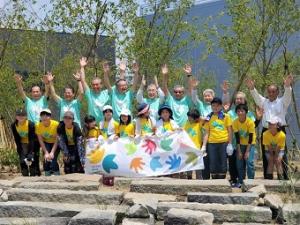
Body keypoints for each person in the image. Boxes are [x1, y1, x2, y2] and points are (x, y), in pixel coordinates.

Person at [246, 74, 293, 179]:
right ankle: (268, 178)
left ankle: (284, 179)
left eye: (273, 91)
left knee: (281, 155)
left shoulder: (282, 102)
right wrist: (252, 88)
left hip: (280, 131)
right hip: (266, 131)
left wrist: (287, 86)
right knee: (267, 155)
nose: (271, 93)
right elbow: (256, 96)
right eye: (269, 91)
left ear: (277, 92)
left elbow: (287, 95)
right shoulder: (263, 102)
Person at [221, 82, 257, 187]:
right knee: (234, 164)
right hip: (234, 143)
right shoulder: (230, 113)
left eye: (241, 98)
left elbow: (253, 128)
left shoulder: (249, 113)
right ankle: (236, 180)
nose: (238, 100)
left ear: (244, 100)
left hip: (248, 143)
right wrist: (225, 93)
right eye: (237, 99)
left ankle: (249, 182)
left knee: (248, 163)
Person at [203, 97, 233, 179]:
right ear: (211, 106)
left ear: (221, 106)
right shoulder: (208, 117)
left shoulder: (226, 116)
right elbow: (206, 132)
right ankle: (214, 181)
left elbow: (230, 131)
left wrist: (230, 144)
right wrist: (204, 145)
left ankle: (222, 180)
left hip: (223, 142)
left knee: (223, 162)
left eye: (217, 105)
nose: (215, 107)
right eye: (213, 105)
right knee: (213, 162)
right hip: (212, 143)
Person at [80, 57, 110, 123]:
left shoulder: (106, 93)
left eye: (97, 84)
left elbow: (117, 85)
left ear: (101, 85)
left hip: (104, 125)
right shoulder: (89, 93)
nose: (95, 86)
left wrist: (105, 73)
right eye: (93, 85)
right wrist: (82, 67)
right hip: (91, 124)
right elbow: (83, 80)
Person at [11, 109, 40, 176]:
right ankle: (25, 175)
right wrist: (20, 152)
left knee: (31, 160)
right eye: (19, 115)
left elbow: (32, 139)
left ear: (26, 116)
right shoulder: (13, 125)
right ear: (16, 116)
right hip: (22, 143)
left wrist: (30, 152)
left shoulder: (31, 124)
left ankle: (33, 175)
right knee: (22, 160)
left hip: (32, 143)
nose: (21, 117)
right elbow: (17, 139)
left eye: (23, 115)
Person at [232, 104, 256, 187]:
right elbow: (237, 137)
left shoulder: (250, 122)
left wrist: (247, 152)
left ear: (246, 112)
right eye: (238, 111)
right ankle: (241, 181)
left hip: (250, 144)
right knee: (239, 162)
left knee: (249, 162)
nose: (240, 113)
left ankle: (250, 182)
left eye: (242, 111)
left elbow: (251, 137)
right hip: (240, 144)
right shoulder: (235, 122)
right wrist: (239, 151)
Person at [35, 109, 60, 176]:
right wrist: (46, 152)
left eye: (47, 115)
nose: (45, 117)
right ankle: (47, 176)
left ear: (50, 117)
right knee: (46, 160)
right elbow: (40, 140)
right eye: (42, 115)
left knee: (53, 159)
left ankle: (58, 176)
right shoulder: (38, 125)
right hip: (46, 143)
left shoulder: (56, 124)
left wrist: (52, 152)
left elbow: (57, 139)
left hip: (55, 143)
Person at [184, 108, 206, 179]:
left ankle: (199, 182)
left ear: (196, 118)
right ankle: (189, 180)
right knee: (188, 168)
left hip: (197, 149)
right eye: (188, 117)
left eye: (191, 117)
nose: (189, 118)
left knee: (198, 168)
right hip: (188, 148)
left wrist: (198, 117)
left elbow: (206, 119)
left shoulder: (199, 124)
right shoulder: (187, 123)